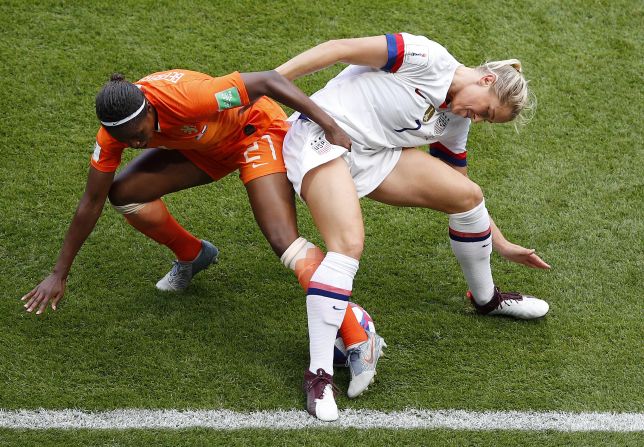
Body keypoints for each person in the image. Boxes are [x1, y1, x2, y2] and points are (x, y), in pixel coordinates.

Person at [19, 68, 384, 397]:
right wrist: (58, 273)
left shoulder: (190, 99)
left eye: (139, 136)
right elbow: (91, 201)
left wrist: (330, 127)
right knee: (123, 194)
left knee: (281, 239)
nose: (134, 145)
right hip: (204, 149)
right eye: (125, 140)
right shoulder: (116, 131)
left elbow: (269, 81)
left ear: (149, 110)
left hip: (254, 134)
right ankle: (192, 254)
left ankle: (357, 332)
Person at [275, 33, 551, 421]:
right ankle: (319, 375)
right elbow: (338, 49)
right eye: (486, 112)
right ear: (486, 81)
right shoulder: (425, 56)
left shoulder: (455, 117)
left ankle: (486, 299)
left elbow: (463, 189)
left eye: (486, 120)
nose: (477, 119)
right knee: (348, 245)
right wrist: (271, 81)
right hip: (322, 139)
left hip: (374, 155)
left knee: (467, 195)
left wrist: (501, 242)